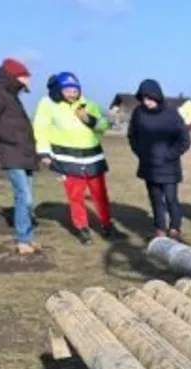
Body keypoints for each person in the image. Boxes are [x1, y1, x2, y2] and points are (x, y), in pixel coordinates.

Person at [33, 71, 114, 245]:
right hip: (67, 158)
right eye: (68, 89)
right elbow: (40, 127)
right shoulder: (48, 104)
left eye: (75, 89)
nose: (72, 93)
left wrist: (90, 120)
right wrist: (44, 152)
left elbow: (105, 123)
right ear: (59, 90)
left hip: (93, 157)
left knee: (100, 194)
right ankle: (82, 229)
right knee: (75, 195)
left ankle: (107, 225)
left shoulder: (88, 103)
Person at [0, 57, 40, 255]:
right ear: (14, 76)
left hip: (24, 153)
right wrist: (13, 136)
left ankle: (28, 238)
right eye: (25, 77)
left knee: (26, 197)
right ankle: (23, 240)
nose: (28, 81)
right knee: (25, 197)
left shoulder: (11, 94)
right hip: (11, 152)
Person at [127, 79, 191, 240]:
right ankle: (160, 228)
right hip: (149, 165)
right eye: (143, 98)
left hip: (169, 166)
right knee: (156, 200)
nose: (146, 102)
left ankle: (175, 228)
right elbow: (132, 136)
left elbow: (184, 140)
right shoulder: (138, 113)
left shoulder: (171, 114)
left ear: (157, 96)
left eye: (149, 98)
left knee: (171, 199)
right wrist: (141, 152)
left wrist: (169, 155)